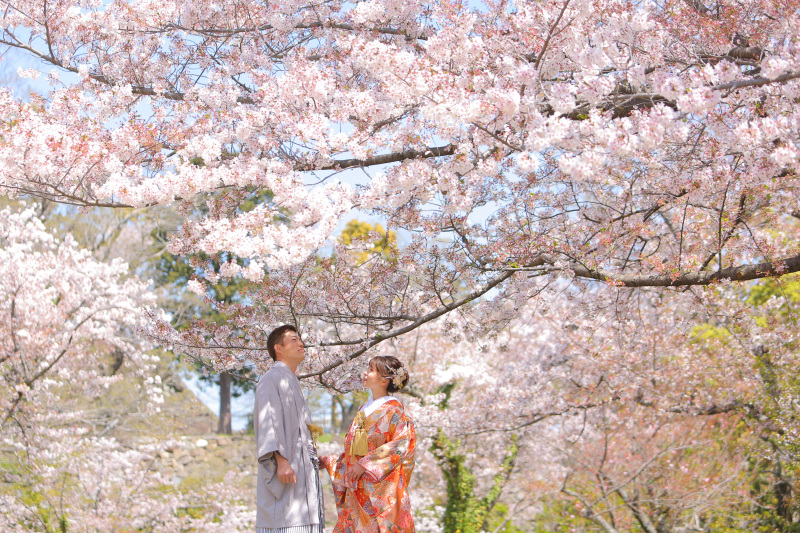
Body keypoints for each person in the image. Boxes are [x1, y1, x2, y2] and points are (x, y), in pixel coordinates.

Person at [321, 355, 416, 533]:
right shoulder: (363, 411)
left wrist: (365, 464)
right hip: (357, 489)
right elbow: (356, 452)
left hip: (378, 490)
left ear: (384, 380)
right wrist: (331, 461)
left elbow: (402, 444)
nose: (365, 373)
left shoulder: (394, 410)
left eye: (371, 370)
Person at [254, 324, 324, 533]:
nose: (301, 343)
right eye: (293, 339)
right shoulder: (271, 378)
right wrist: (281, 460)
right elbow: (266, 420)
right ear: (278, 348)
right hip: (286, 468)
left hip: (303, 473)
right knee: (286, 520)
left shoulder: (293, 381)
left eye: (300, 339)